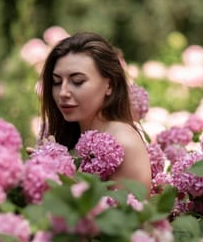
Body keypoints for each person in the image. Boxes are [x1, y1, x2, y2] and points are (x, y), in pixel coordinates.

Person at [39, 32, 152, 195]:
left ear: (110, 85)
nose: (62, 92)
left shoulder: (123, 142)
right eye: (56, 82)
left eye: (77, 81)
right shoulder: (70, 136)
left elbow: (126, 218)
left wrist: (57, 177)